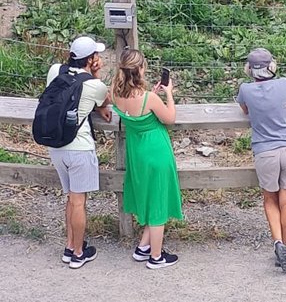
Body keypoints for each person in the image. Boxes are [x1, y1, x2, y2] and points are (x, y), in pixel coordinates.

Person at [237, 48, 286, 274]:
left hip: (264, 151)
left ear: (249, 70)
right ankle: (285, 246)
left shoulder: (245, 90)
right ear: (272, 66)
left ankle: (277, 242)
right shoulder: (284, 83)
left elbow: (245, 110)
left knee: (270, 199)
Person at [111, 49, 183, 269]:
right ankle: (156, 256)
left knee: (150, 197)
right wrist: (168, 93)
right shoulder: (149, 98)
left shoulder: (115, 94)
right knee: (159, 201)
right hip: (156, 151)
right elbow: (169, 118)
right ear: (140, 69)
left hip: (137, 152)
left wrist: (151, 95)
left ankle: (143, 248)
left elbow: (135, 109)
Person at [45, 35, 112, 269]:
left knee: (71, 199)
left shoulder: (55, 70)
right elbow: (103, 100)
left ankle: (69, 246)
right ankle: (78, 252)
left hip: (56, 147)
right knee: (79, 201)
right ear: (92, 59)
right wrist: (95, 75)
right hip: (79, 147)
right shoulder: (95, 85)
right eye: (97, 55)